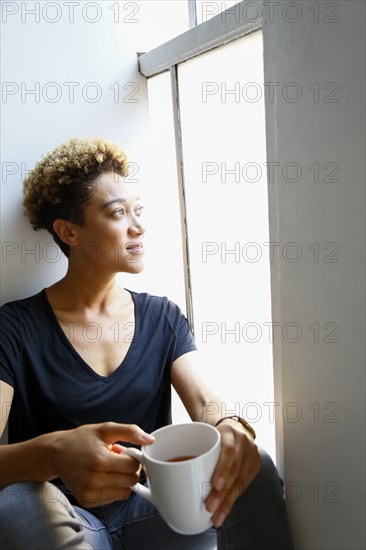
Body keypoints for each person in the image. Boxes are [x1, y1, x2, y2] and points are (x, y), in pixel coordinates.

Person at [0, 137, 294, 549]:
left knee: (252, 462)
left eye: (138, 211)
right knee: (16, 500)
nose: (138, 226)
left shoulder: (162, 316)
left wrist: (229, 426)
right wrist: (56, 452)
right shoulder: (13, 327)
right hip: (66, 519)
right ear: (69, 232)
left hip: (158, 510)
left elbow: (206, 401)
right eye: (118, 213)